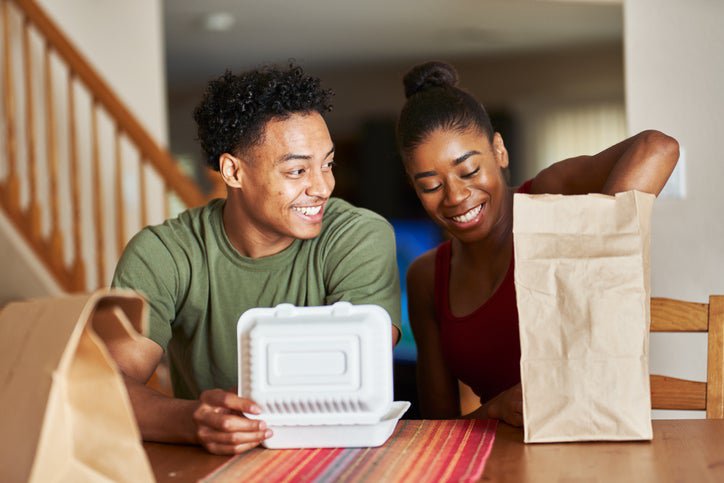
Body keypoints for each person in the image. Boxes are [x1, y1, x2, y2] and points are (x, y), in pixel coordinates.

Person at [108, 64, 402, 455]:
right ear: (233, 171)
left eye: (327, 164)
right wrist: (193, 420)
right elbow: (107, 386)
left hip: (344, 456)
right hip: (216, 464)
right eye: (297, 170)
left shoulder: (358, 237)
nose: (322, 187)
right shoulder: (164, 253)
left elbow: (366, 371)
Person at [397, 61, 678, 426]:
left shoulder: (549, 194)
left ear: (499, 151)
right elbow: (439, 425)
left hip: (598, 438)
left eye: (469, 171)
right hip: (501, 460)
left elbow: (657, 148)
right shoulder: (425, 277)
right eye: (431, 185)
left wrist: (593, 265)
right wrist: (494, 410)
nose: (455, 196)